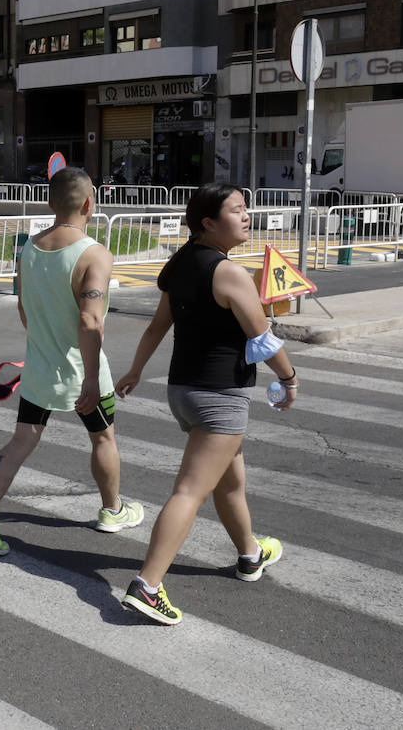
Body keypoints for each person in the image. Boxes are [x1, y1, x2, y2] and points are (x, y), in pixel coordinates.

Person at [115, 182, 296, 626]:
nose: (247, 215)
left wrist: (136, 370)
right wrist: (289, 378)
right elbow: (262, 338)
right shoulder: (229, 273)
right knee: (190, 491)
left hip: (184, 392)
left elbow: (158, 327)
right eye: (237, 209)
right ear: (209, 223)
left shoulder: (179, 265)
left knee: (230, 482)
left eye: (246, 208)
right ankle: (148, 586)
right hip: (219, 397)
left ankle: (250, 555)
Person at [0, 167, 144, 556]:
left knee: (22, 439)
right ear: (89, 204)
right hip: (83, 371)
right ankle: (112, 510)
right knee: (103, 437)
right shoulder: (95, 254)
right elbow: (90, 320)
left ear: (50, 203)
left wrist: (41, 345)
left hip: (41, 367)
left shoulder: (28, 246)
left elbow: (25, 309)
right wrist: (93, 379)